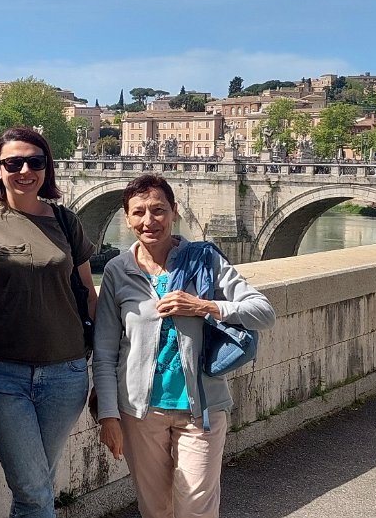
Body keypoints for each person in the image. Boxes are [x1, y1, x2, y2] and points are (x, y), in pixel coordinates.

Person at [92, 173, 275, 518]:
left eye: (158, 210)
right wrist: (108, 416)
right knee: (155, 509)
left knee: (195, 510)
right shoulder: (117, 271)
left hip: (201, 409)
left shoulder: (204, 260)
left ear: (174, 212)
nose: (149, 221)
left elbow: (263, 312)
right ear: (127, 218)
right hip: (139, 412)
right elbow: (104, 352)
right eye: (138, 212)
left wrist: (205, 306)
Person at [0, 126, 98, 518]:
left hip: (67, 373)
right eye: (14, 163)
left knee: (36, 485)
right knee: (34, 488)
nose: (25, 171)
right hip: (1, 375)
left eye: (35, 162)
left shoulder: (66, 222)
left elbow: (89, 294)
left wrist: (109, 367)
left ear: (47, 169)